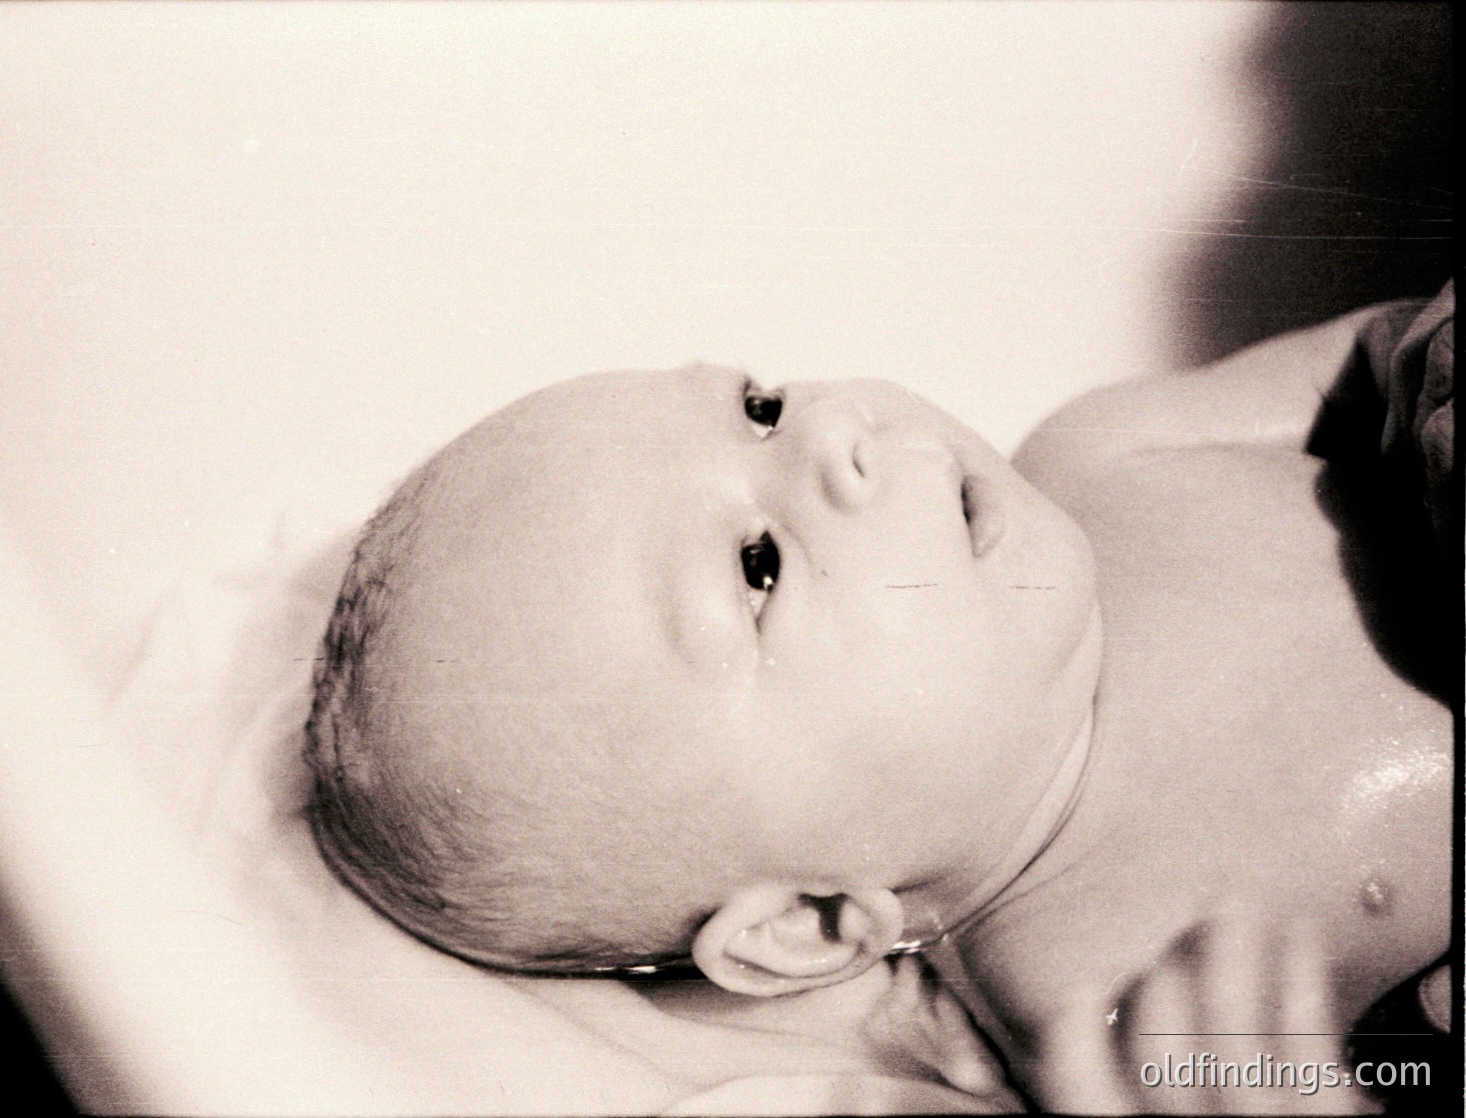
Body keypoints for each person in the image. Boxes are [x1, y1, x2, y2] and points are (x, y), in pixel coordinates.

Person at [303, 287, 1453, 1109]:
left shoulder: (1109, 449)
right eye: (759, 565)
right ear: (813, 922)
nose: (837, 440)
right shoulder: (1111, 1009)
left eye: (758, 406)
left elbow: (1371, 354)